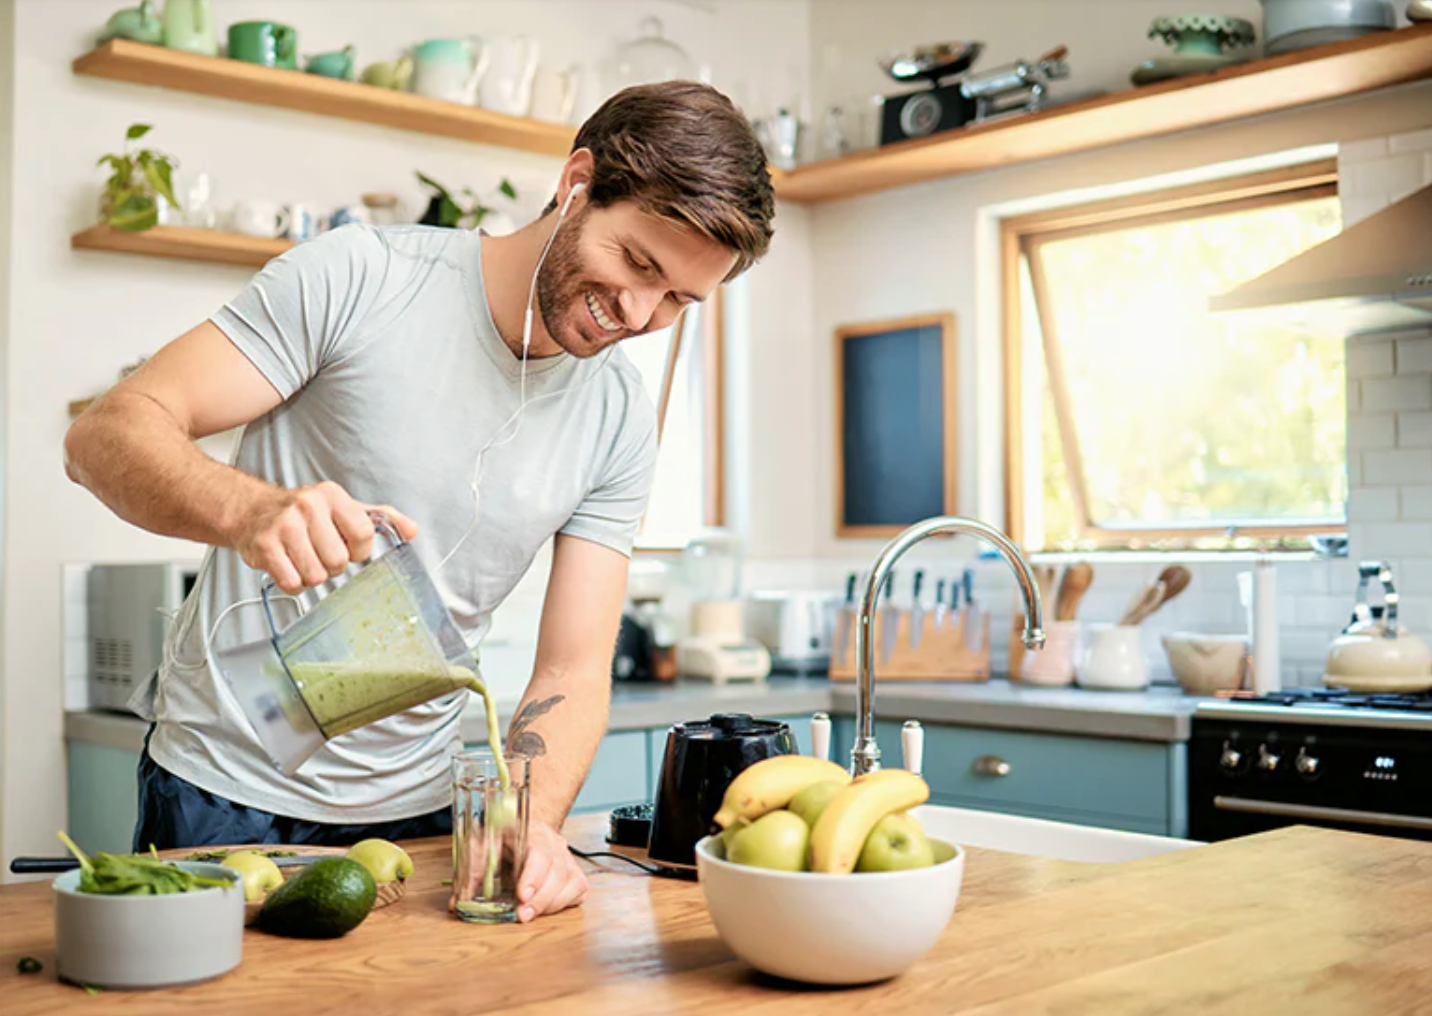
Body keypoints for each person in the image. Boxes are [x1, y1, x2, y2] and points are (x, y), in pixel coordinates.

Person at [63, 81, 775, 923]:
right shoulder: (363, 277)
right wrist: (248, 510)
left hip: (427, 818)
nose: (637, 312)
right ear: (576, 181)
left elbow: (573, 668)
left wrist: (531, 824)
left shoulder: (617, 416)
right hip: (222, 793)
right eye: (638, 263)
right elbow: (103, 436)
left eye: (679, 301)